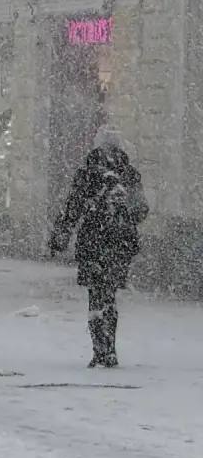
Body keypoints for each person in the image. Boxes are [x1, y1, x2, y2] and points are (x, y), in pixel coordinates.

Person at [49, 127, 147, 368]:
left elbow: (73, 207)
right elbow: (141, 210)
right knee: (110, 294)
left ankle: (99, 350)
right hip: (120, 243)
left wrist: (61, 233)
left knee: (95, 295)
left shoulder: (87, 174)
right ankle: (110, 349)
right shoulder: (130, 174)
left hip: (92, 242)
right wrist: (125, 213)